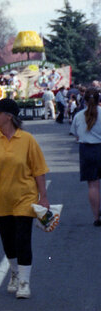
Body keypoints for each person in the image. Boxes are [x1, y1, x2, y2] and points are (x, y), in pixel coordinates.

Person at [0, 98, 49, 299]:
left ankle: (24, 282)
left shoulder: (27, 140)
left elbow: (39, 170)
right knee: (8, 241)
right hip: (1, 200)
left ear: (8, 116)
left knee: (23, 239)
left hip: (25, 198)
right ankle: (15, 273)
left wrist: (43, 197)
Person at [71, 88, 101, 226]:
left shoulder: (78, 116)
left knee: (93, 186)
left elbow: (75, 134)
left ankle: (96, 217)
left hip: (87, 150)